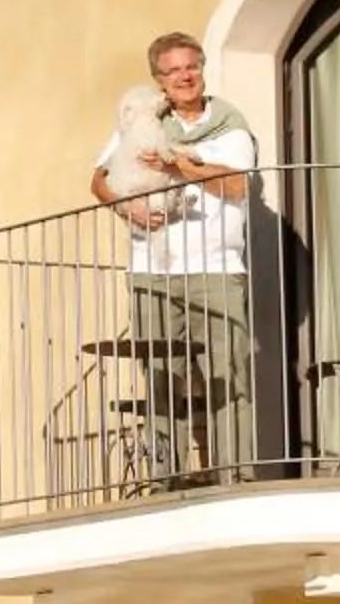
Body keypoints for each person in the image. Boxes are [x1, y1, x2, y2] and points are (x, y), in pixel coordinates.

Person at [90, 31, 259, 487]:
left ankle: (236, 477)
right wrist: (128, 207)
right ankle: (168, 479)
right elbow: (101, 179)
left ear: (202, 71)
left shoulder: (228, 123)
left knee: (229, 375)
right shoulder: (142, 121)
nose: (184, 77)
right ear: (158, 81)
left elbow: (238, 185)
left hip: (217, 271)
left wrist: (178, 167)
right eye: (173, 71)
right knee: (162, 378)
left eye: (191, 67)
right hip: (152, 271)